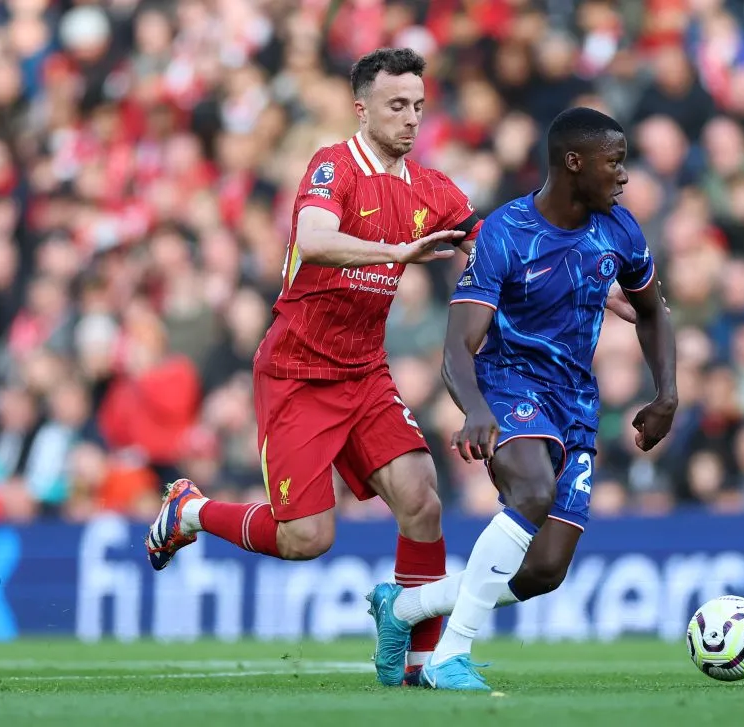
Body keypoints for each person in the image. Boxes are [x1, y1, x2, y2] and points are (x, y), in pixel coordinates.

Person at [144, 48, 479, 687]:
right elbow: (317, 240)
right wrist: (397, 250)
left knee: (423, 500)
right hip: (297, 372)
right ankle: (190, 510)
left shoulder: (433, 189)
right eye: (396, 105)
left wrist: (598, 289)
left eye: (417, 106)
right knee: (307, 539)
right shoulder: (332, 167)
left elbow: (497, 248)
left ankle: (418, 662)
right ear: (362, 109)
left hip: (365, 371)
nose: (411, 118)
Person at [367, 107, 678, 690]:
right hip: (509, 384)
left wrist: (667, 394)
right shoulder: (507, 232)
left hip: (576, 402)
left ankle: (403, 607)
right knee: (532, 492)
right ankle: (448, 657)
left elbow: (653, 313)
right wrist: (476, 408)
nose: (624, 175)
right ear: (574, 163)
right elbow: (458, 344)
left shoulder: (620, 230)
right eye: (614, 162)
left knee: (543, 571)